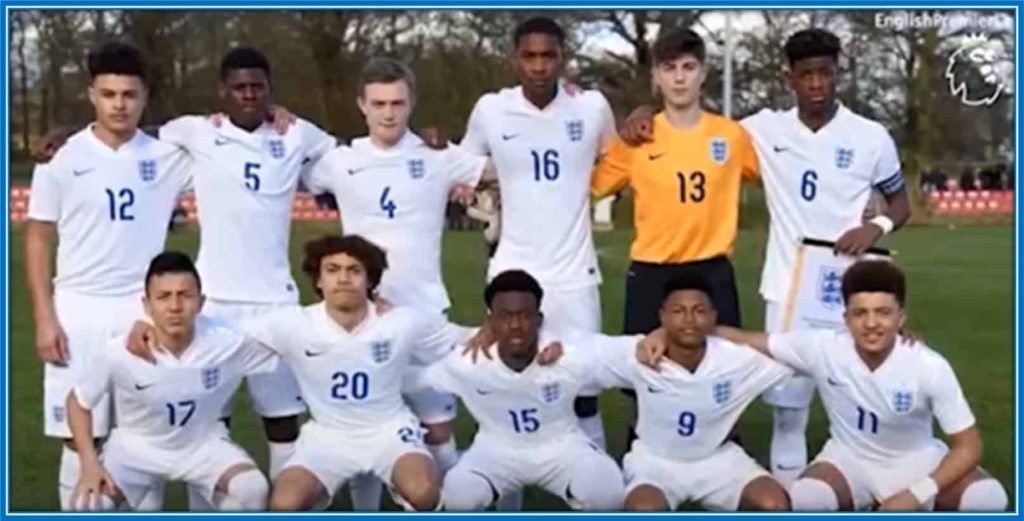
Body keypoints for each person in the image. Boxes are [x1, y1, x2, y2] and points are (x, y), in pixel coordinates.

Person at [620, 28, 913, 484]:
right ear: (788, 78)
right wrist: (643, 112)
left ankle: (882, 482)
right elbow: (692, 129)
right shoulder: (758, 131)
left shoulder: (870, 136)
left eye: (825, 73)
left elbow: (900, 203)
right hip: (788, 288)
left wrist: (875, 227)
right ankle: (793, 498)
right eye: (806, 75)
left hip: (854, 285)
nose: (816, 83)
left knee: (867, 395)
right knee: (789, 408)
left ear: (839, 74)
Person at [646, 260, 1008, 511]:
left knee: (990, 499)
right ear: (845, 317)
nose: (871, 324)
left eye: (883, 313)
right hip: (849, 460)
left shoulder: (928, 365)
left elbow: (969, 446)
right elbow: (746, 338)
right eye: (860, 313)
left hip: (916, 460)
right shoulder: (823, 347)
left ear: (902, 318)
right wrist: (668, 330)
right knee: (807, 497)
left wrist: (916, 494)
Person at [304, 56, 488, 508]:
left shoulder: (437, 156)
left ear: (411, 104)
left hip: (424, 310)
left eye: (398, 103)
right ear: (362, 106)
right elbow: (286, 161)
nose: (389, 113)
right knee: (362, 426)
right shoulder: (338, 161)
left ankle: (452, 505)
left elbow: (502, 168)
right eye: (379, 103)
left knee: (438, 427)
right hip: (360, 316)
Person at [24, 41, 192, 510]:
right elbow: (38, 238)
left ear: (145, 97)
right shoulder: (60, 158)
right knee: (78, 435)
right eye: (109, 94)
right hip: (78, 308)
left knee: (145, 429)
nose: (119, 104)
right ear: (91, 95)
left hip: (144, 310)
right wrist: (44, 317)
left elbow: (227, 150)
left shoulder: (168, 157)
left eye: (129, 95)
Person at [459, 15, 618, 452]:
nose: (539, 65)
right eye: (529, 56)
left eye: (548, 55)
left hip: (575, 276)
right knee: (508, 386)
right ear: (515, 60)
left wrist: (642, 112)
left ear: (562, 58)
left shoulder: (591, 107)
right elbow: (463, 166)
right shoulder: (491, 109)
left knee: (585, 394)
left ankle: (595, 488)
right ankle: (503, 488)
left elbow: (620, 158)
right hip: (513, 271)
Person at [66, 252, 271, 511]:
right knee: (89, 505)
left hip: (203, 446)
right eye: (163, 297)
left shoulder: (227, 343)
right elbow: (78, 402)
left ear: (201, 301)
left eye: (185, 295)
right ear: (147, 305)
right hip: (136, 449)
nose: (174, 306)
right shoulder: (119, 351)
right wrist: (89, 463)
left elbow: (287, 340)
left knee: (253, 490)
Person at [406, 271, 625, 511]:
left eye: (525, 316)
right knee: (460, 496)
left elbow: (622, 353)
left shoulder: (566, 357)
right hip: (496, 449)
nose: (515, 326)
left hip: (561, 446)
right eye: (505, 316)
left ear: (540, 320)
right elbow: (416, 379)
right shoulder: (469, 363)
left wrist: (657, 339)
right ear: (490, 322)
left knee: (607, 491)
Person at [601, 272, 791, 511]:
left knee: (773, 503)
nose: (689, 320)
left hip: (718, 459)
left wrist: (734, 335)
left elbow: (799, 354)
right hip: (655, 463)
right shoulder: (640, 354)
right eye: (678, 311)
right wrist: (552, 349)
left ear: (713, 318)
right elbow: (583, 355)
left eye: (699, 311)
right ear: (662, 317)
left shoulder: (735, 359)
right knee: (644, 509)